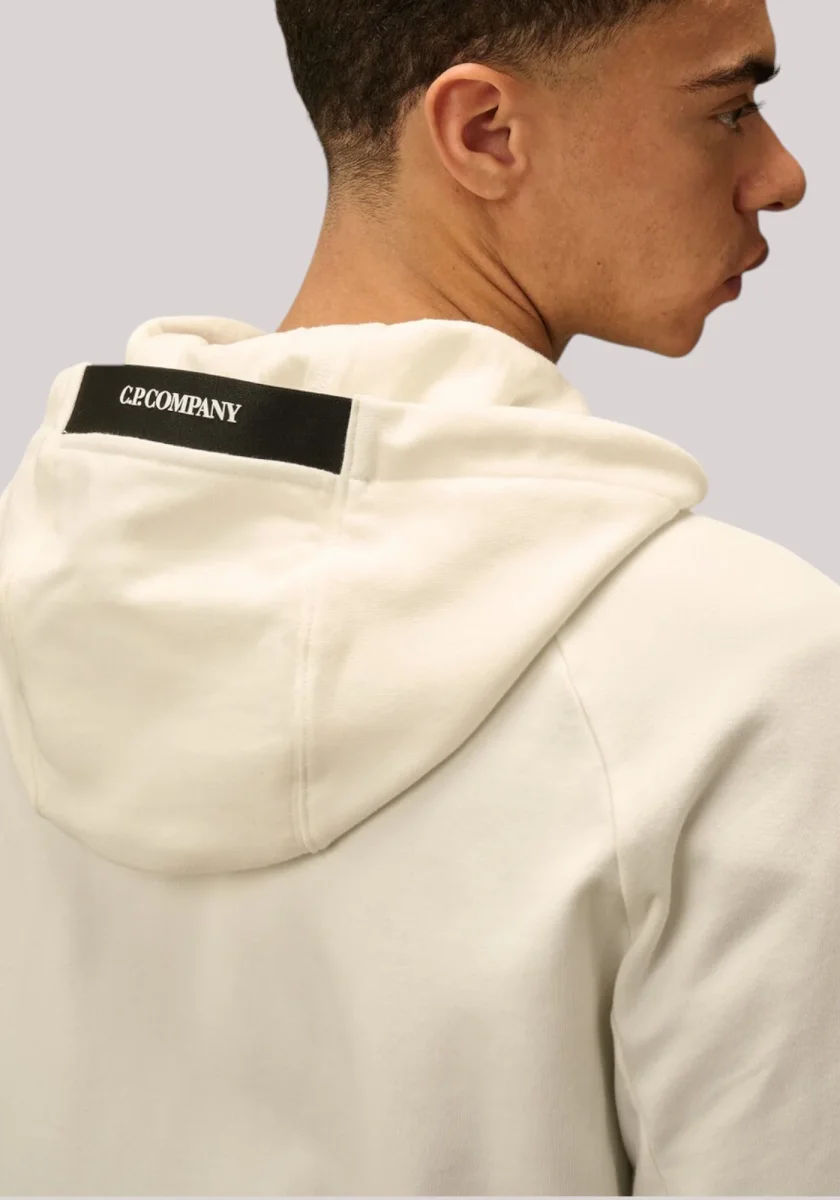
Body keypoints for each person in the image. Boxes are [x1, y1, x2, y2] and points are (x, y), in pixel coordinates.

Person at [0, 0, 835, 1194]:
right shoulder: (748, 673)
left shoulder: (34, 571)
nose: (783, 175)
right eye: (731, 107)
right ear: (485, 131)